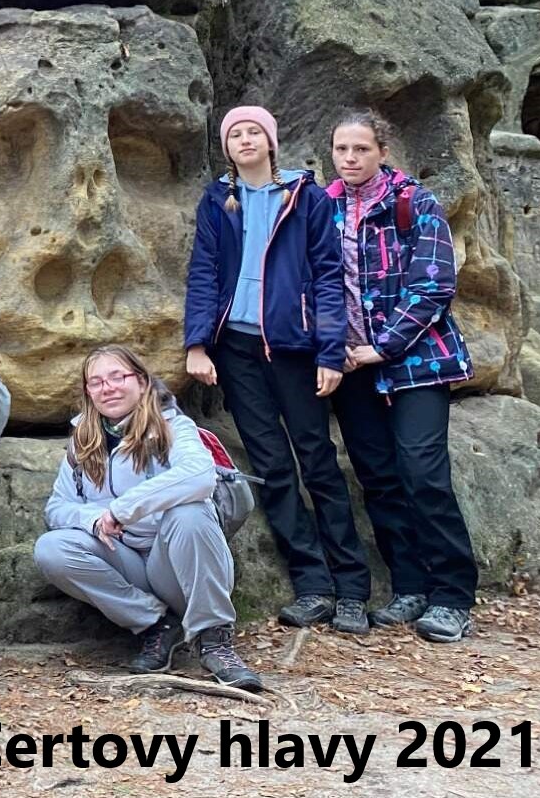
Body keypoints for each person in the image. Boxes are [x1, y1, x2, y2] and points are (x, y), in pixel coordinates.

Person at [183, 106, 371, 634]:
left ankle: (352, 589)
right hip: (236, 351)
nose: (245, 140)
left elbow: (329, 276)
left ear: (270, 142)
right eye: (235, 135)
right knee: (271, 466)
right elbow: (203, 272)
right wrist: (197, 344)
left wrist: (330, 353)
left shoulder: (305, 197)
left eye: (254, 132)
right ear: (227, 148)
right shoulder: (218, 199)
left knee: (318, 460)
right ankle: (312, 586)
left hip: (293, 349)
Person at [325, 109, 480, 643]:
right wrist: (335, 349)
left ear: (382, 152)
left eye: (361, 149)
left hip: (417, 362)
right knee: (379, 478)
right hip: (351, 366)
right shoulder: (323, 207)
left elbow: (433, 285)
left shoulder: (414, 203)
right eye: (342, 149)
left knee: (422, 473)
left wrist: (382, 347)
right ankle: (410, 586)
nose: (350, 158)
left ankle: (453, 596)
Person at [35, 346, 262, 691]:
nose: (107, 388)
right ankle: (157, 624)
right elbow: (57, 507)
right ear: (88, 392)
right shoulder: (82, 440)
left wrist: (123, 509)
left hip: (177, 568)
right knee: (51, 548)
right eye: (96, 382)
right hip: (126, 563)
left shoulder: (173, 426)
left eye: (117, 377)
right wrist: (95, 518)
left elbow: (200, 476)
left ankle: (214, 639)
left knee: (190, 512)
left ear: (141, 382)